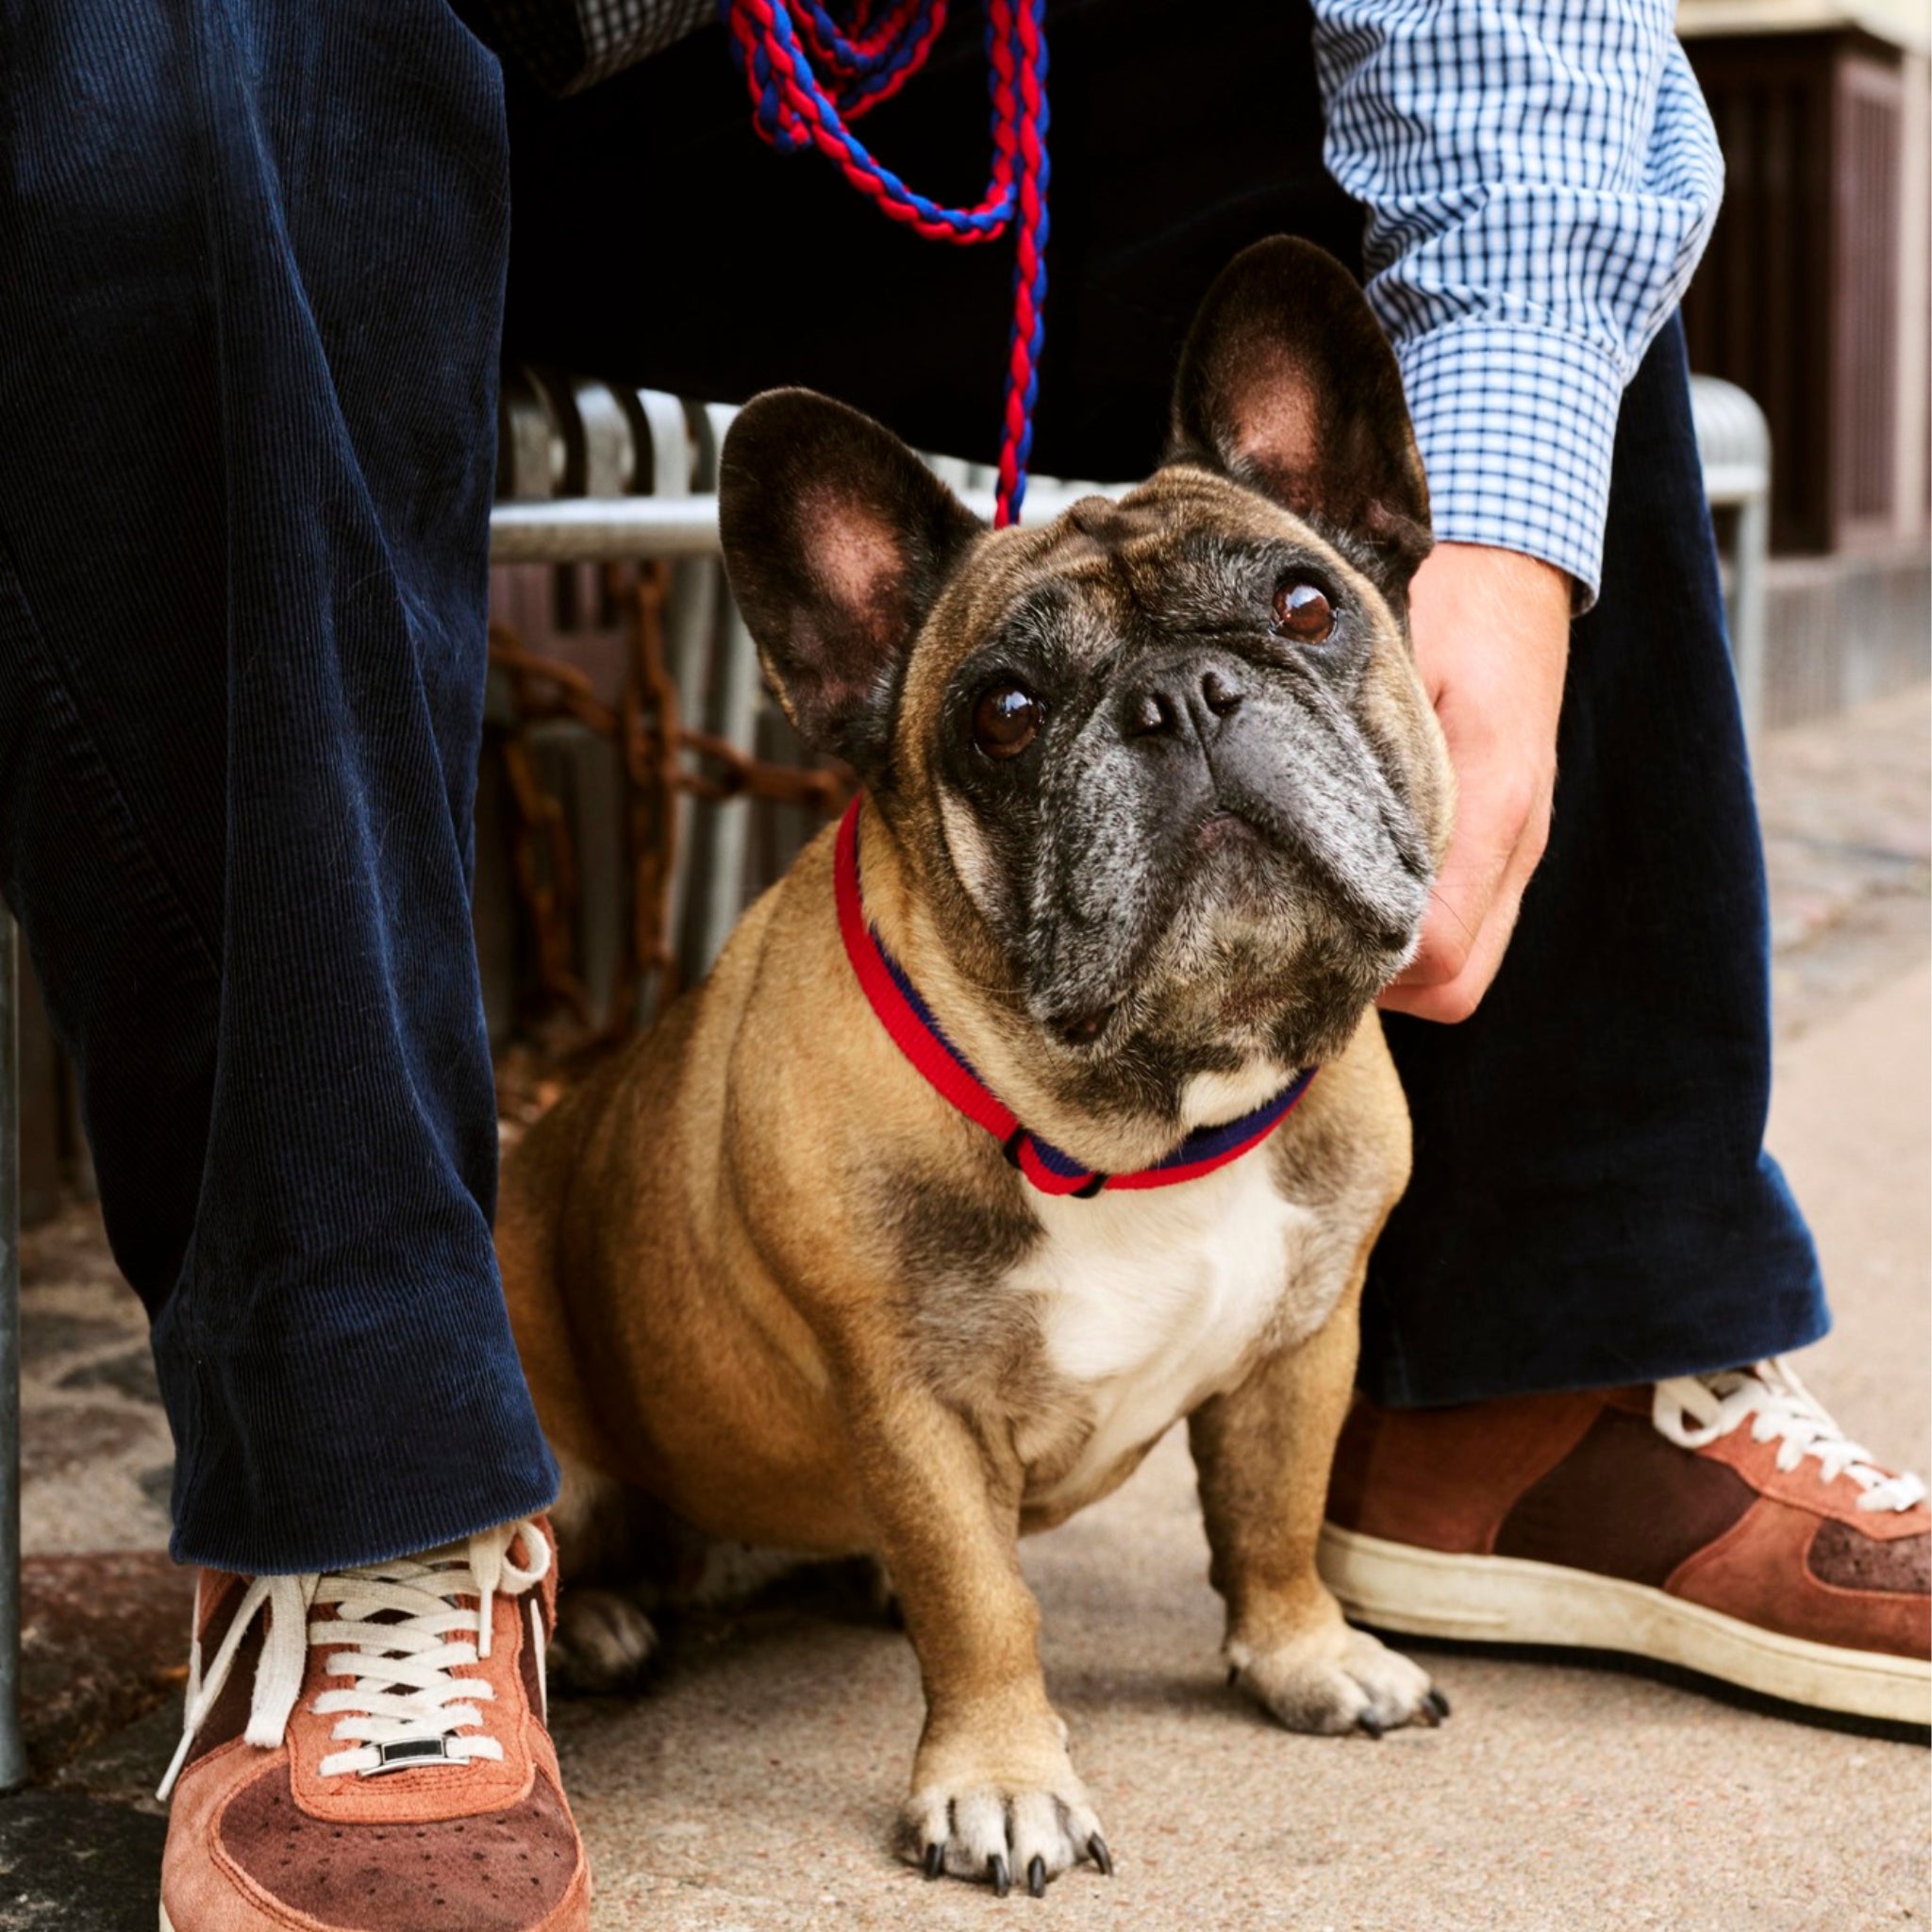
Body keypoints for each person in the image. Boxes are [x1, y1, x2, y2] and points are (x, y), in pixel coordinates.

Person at [0, 1, 1921, 1927]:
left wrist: (1497, 544)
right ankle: (365, 1491)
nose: (1188, 726)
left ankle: (1539, 1368)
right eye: (1017, 716)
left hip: (1015, 77)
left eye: (1290, 624)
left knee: (1520, 198)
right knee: (155, 80)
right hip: (460, 68)